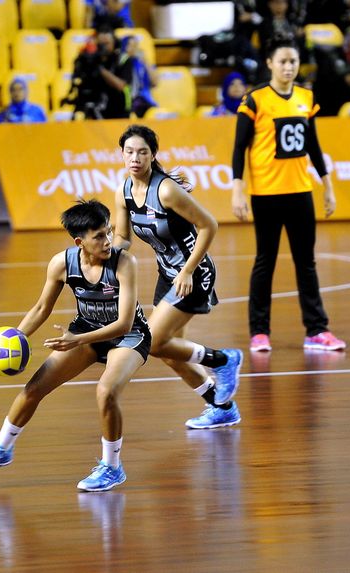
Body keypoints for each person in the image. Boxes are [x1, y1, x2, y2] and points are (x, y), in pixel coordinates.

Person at [0, 199, 150, 492]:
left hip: (128, 336)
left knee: (106, 390)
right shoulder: (62, 263)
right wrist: (16, 337)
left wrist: (77, 340)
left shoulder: (124, 263)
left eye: (109, 232)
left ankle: (112, 468)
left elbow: (125, 323)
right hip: (86, 330)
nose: (108, 241)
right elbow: (41, 308)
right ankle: (2, 448)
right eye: (99, 236)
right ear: (80, 242)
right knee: (35, 388)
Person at [114, 124, 243, 430]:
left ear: (152, 155)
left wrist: (187, 270)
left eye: (142, 152)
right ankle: (221, 407)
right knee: (172, 355)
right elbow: (122, 237)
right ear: (121, 154)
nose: (135, 157)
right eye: (129, 152)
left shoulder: (166, 190)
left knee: (154, 342)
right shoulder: (123, 191)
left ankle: (224, 360)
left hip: (194, 274)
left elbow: (209, 225)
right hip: (168, 275)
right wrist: (103, 259)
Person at [231, 35, 346, 353]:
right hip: (267, 194)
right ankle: (259, 332)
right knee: (264, 262)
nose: (288, 66)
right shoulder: (255, 100)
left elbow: (314, 147)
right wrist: (237, 190)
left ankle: (317, 330)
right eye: (282, 61)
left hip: (300, 192)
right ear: (269, 63)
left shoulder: (306, 98)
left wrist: (328, 186)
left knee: (306, 262)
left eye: (293, 61)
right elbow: (239, 148)